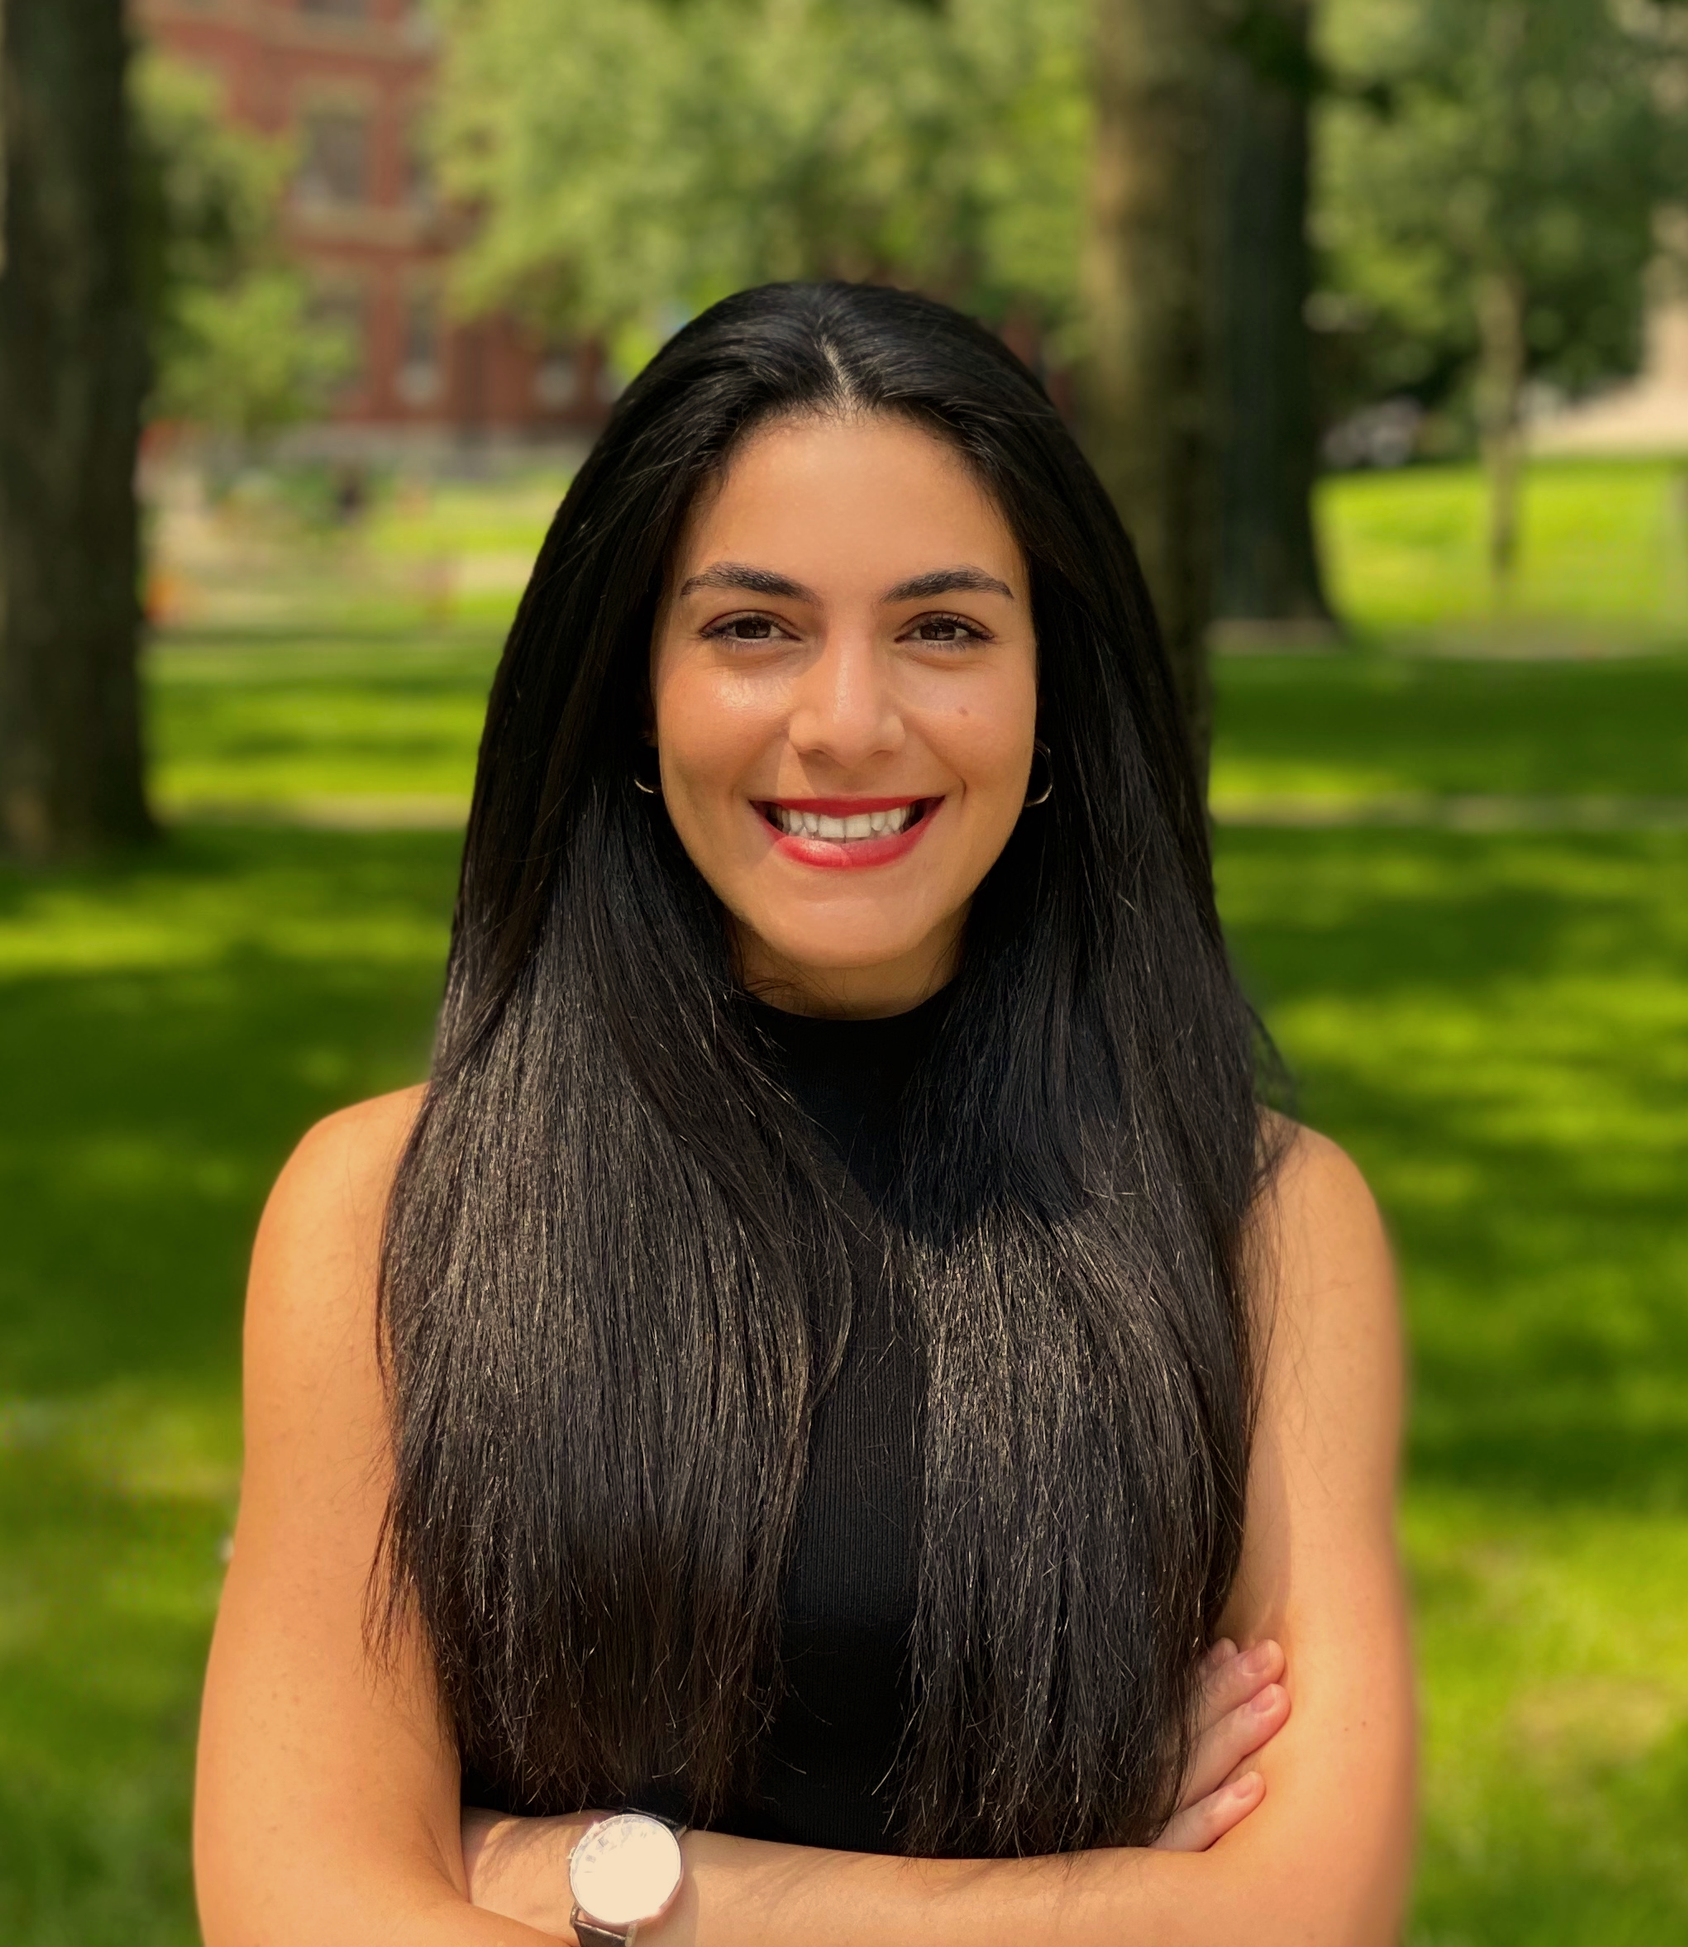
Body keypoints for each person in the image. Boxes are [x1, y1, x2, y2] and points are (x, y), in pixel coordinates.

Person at [194, 282, 1414, 1946]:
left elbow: (1300, 1922)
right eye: (753, 627)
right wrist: (1086, 1897)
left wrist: (588, 1877)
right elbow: (298, 1914)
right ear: (632, 685)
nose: (847, 722)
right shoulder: (386, 1214)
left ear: (1056, 690)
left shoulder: (1265, 1221)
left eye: (945, 628)